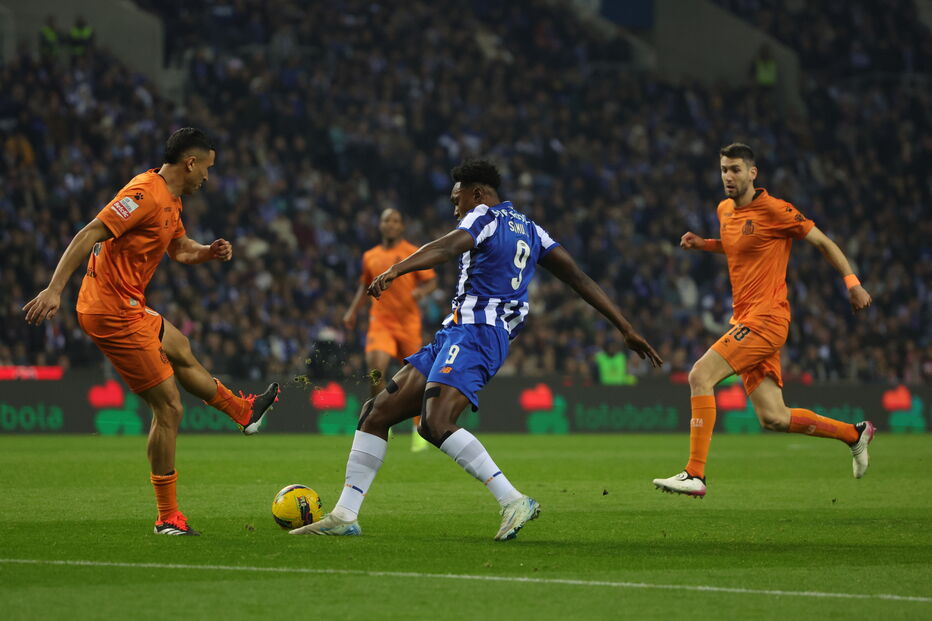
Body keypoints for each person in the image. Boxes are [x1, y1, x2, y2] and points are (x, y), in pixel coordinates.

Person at [291, 159, 662, 540]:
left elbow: (449, 246)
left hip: (478, 333)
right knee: (376, 412)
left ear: (478, 193)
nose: (456, 209)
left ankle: (513, 500)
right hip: (456, 332)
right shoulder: (533, 231)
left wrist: (397, 269)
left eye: (458, 200)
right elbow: (579, 278)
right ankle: (345, 514)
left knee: (435, 423)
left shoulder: (484, 216)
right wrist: (626, 328)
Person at [23, 127, 279, 535]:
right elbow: (90, 232)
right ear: (190, 163)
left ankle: (243, 412)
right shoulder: (144, 194)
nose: (208, 178)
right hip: (110, 311)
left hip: (129, 305)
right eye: (207, 169)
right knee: (169, 409)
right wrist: (54, 289)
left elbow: (178, 249)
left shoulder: (172, 201)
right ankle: (167, 518)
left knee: (180, 346)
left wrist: (208, 252)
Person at [652, 143, 874, 498]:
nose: (728, 176)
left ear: (752, 173)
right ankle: (854, 433)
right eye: (724, 169)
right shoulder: (724, 209)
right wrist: (704, 244)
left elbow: (822, 242)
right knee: (774, 417)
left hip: (767, 319)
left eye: (736, 169)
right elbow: (738, 243)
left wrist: (853, 283)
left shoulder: (775, 209)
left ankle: (695, 473)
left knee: (700, 374)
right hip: (745, 318)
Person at [343, 208, 437, 452]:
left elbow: (431, 281)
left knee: (417, 379)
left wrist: (421, 292)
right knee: (376, 371)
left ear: (401, 226)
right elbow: (364, 284)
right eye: (386, 220)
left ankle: (419, 427)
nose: (391, 224)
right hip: (380, 322)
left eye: (396, 220)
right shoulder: (370, 256)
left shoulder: (412, 252)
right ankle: (382, 419)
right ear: (381, 225)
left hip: (408, 324)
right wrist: (353, 311)